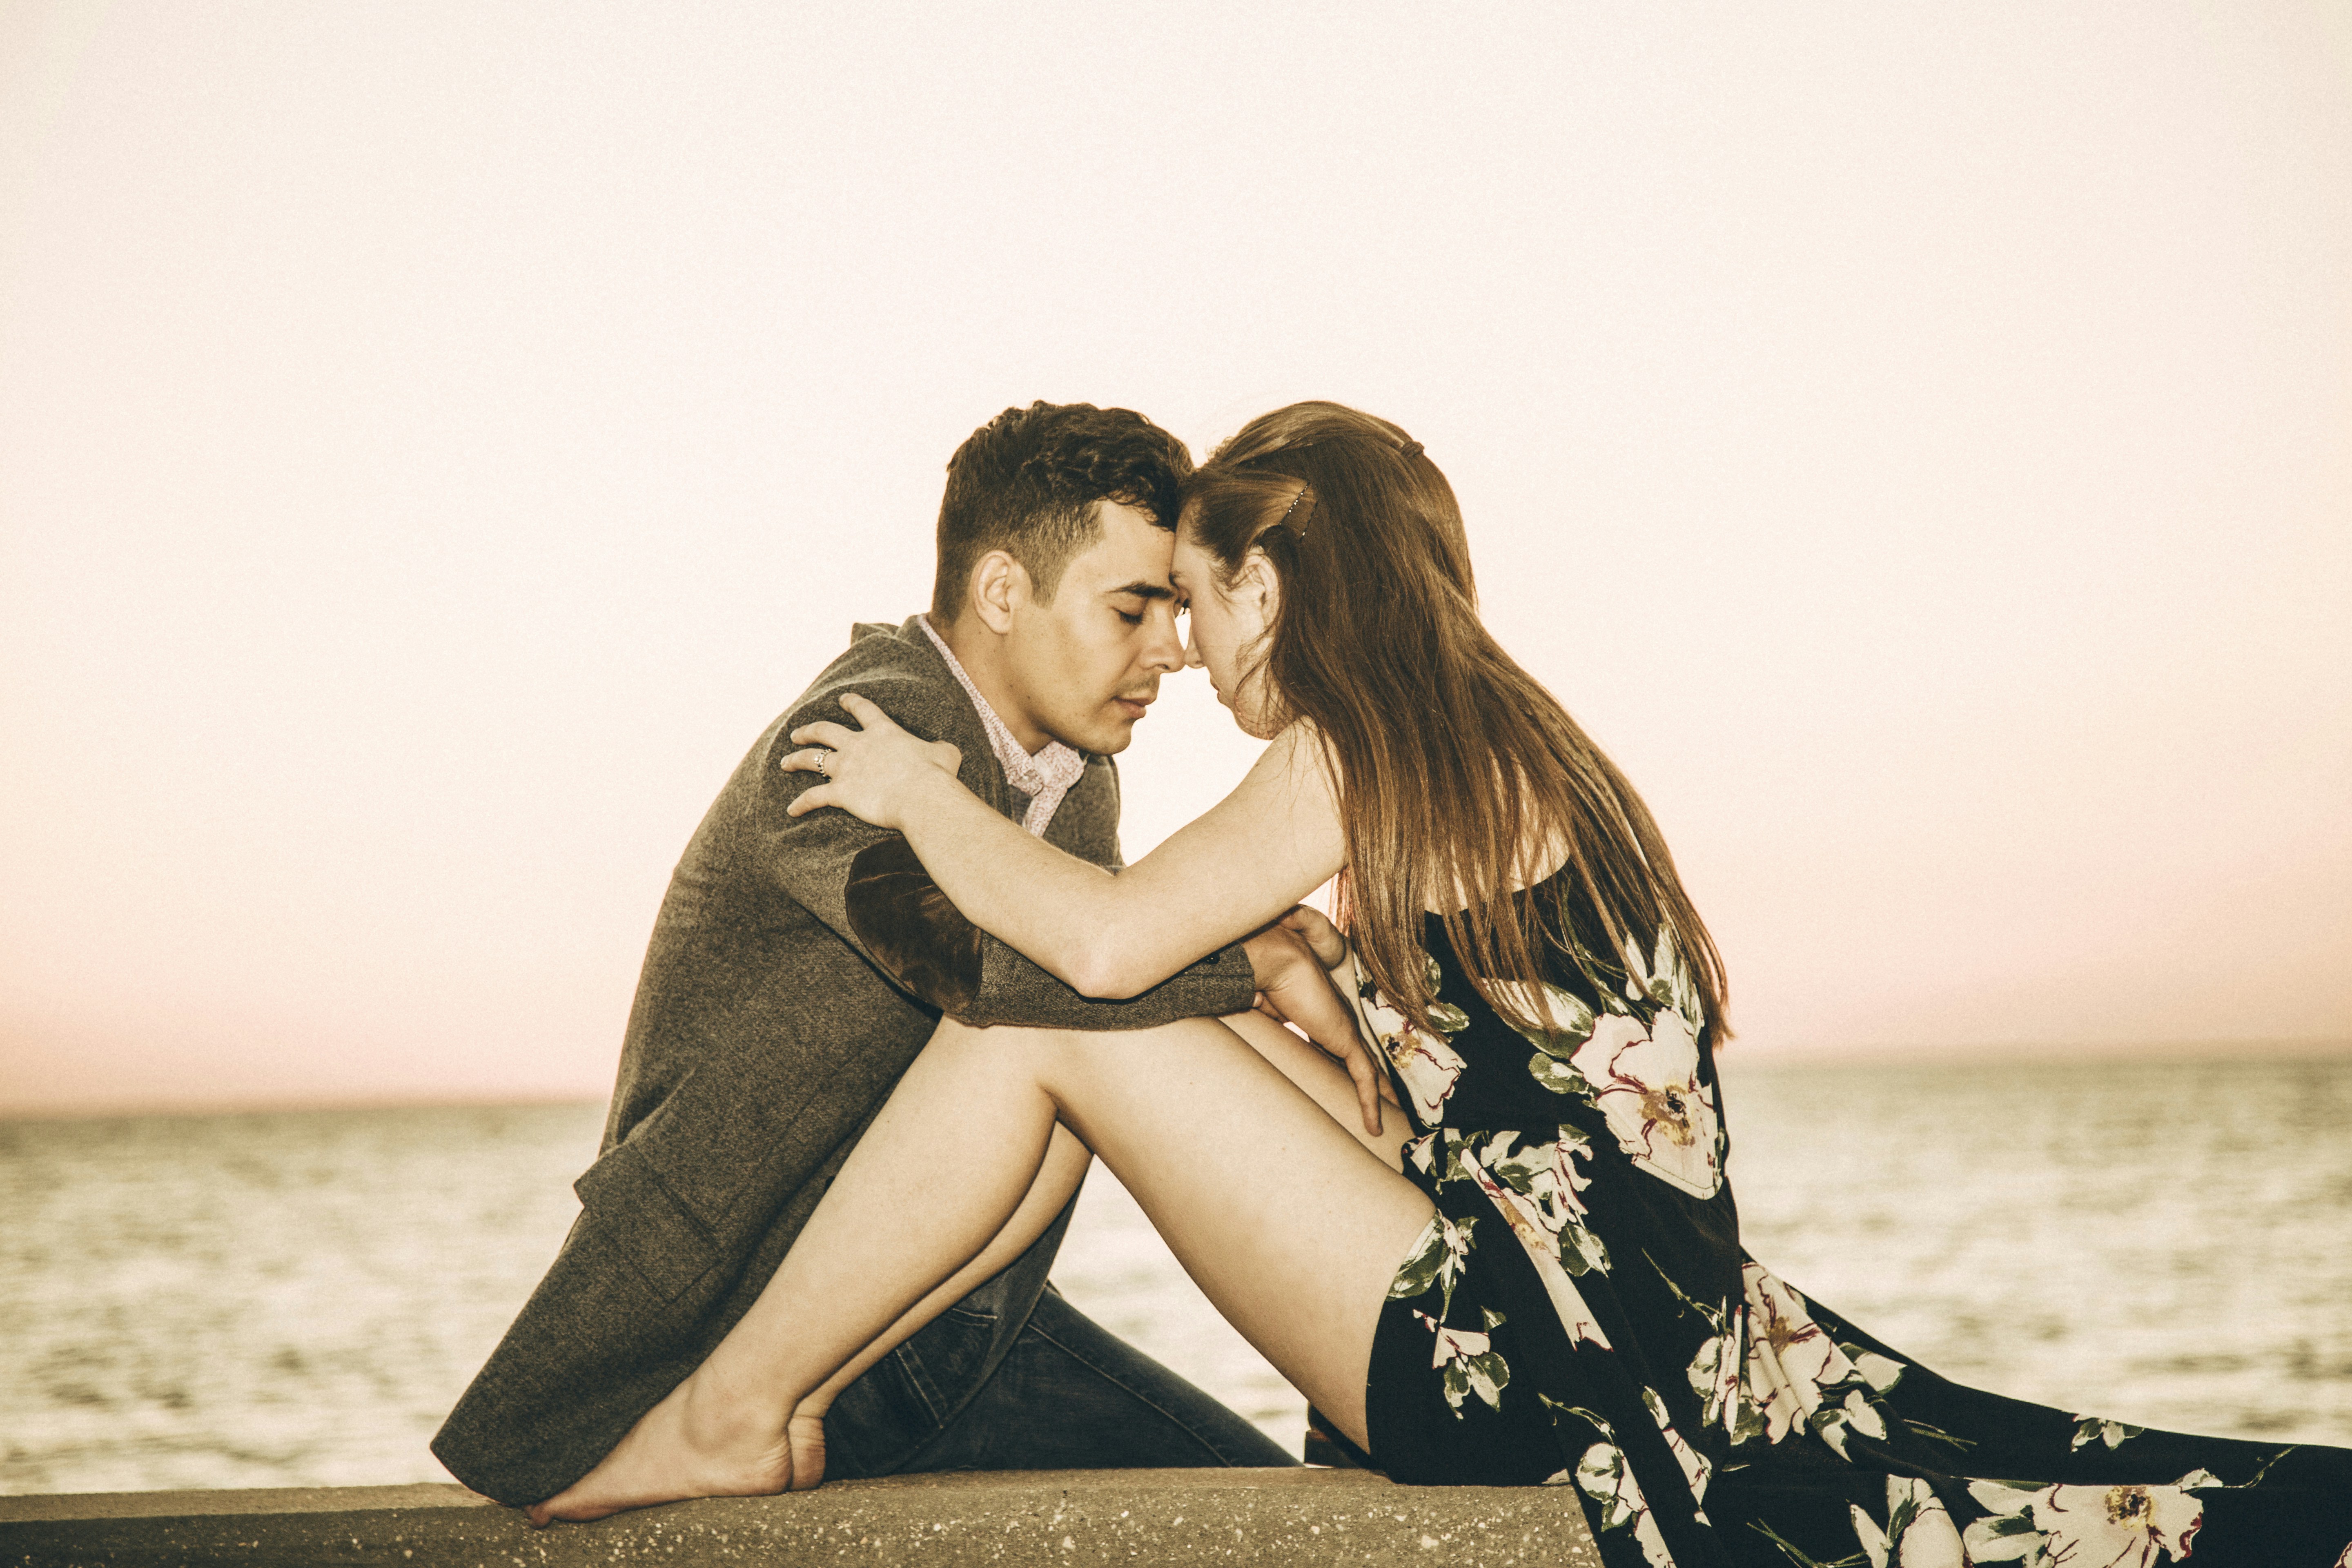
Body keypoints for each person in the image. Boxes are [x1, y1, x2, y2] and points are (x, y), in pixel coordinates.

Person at [528, 402, 2352, 1568]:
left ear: (1270, 585)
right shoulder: (1492, 738)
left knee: (1040, 1040)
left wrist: (922, 795)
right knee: (1145, 1029)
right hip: (1611, 1330)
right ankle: (783, 1398)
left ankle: (733, 1413)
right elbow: (1462, 1092)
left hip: (1523, 1364)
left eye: (1197, 599)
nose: (1189, 649)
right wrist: (1287, 984)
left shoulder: (1348, 753)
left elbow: (1095, 950)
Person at [431, 401, 1375, 1510]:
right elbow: (974, 973)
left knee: (1274, 1508)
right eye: (1133, 609)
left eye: (1174, 607)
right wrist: (1251, 963)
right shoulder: (853, 737)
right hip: (744, 1309)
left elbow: (1106, 988)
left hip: (941, 1312)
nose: (1170, 649)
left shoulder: (1077, 773)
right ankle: (722, 1427)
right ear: (1002, 592)